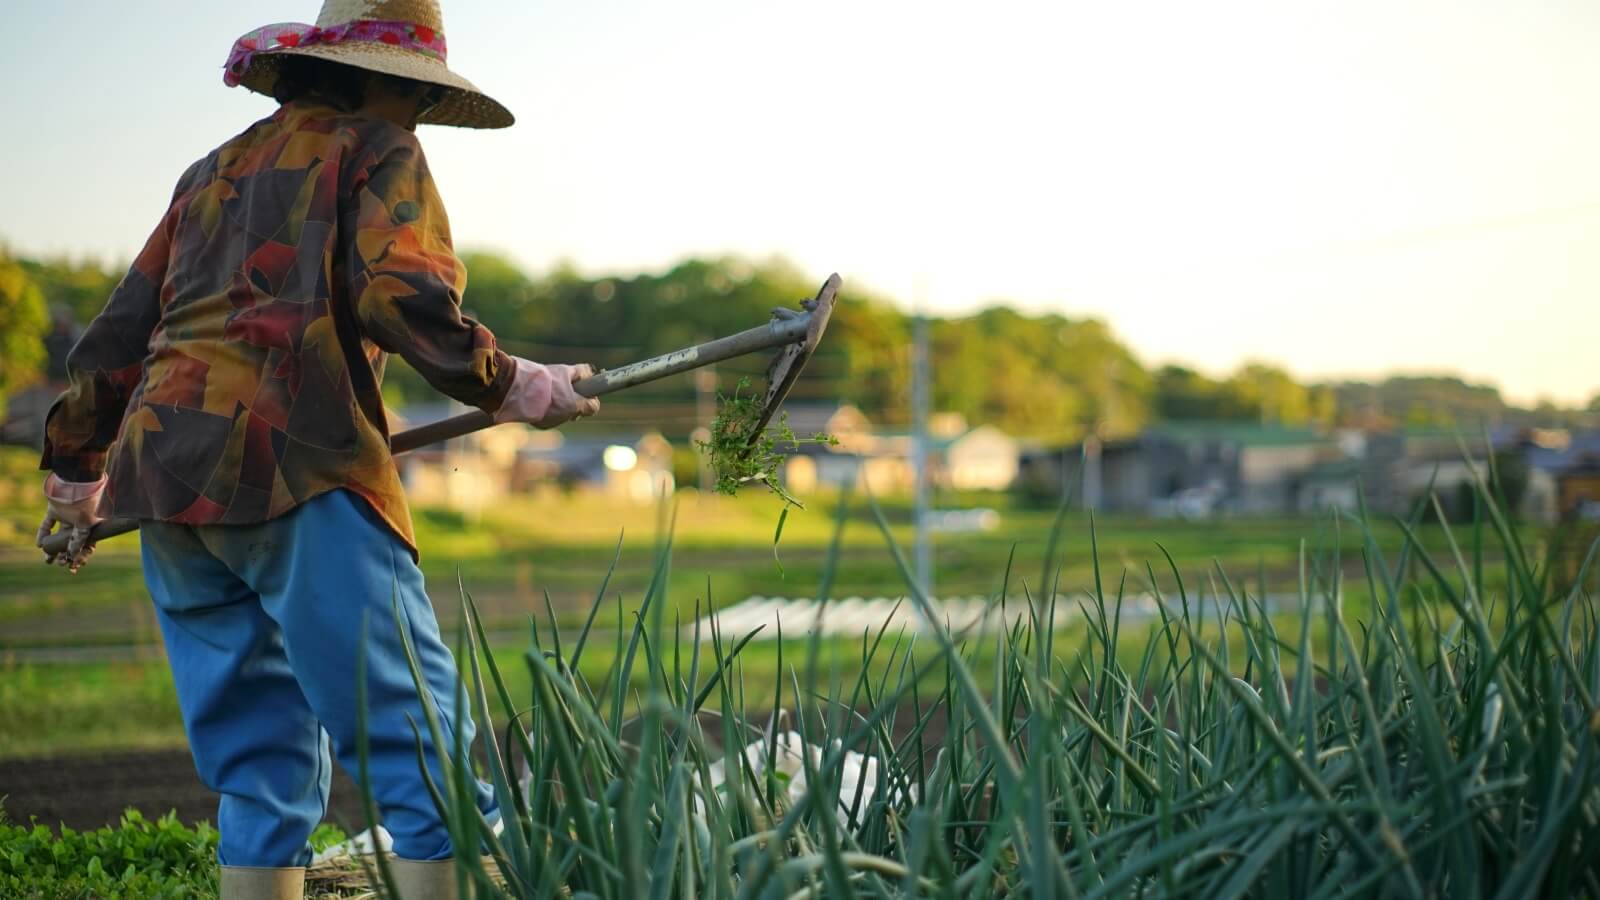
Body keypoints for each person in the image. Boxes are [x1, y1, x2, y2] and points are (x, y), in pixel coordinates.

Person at [34, 2, 594, 897]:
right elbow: (400, 294)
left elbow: (117, 338)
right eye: (412, 94)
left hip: (166, 486)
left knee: (257, 771)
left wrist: (76, 475)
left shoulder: (212, 171)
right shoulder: (375, 149)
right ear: (376, 78)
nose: (414, 116)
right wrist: (510, 381)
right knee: (417, 752)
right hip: (299, 465)